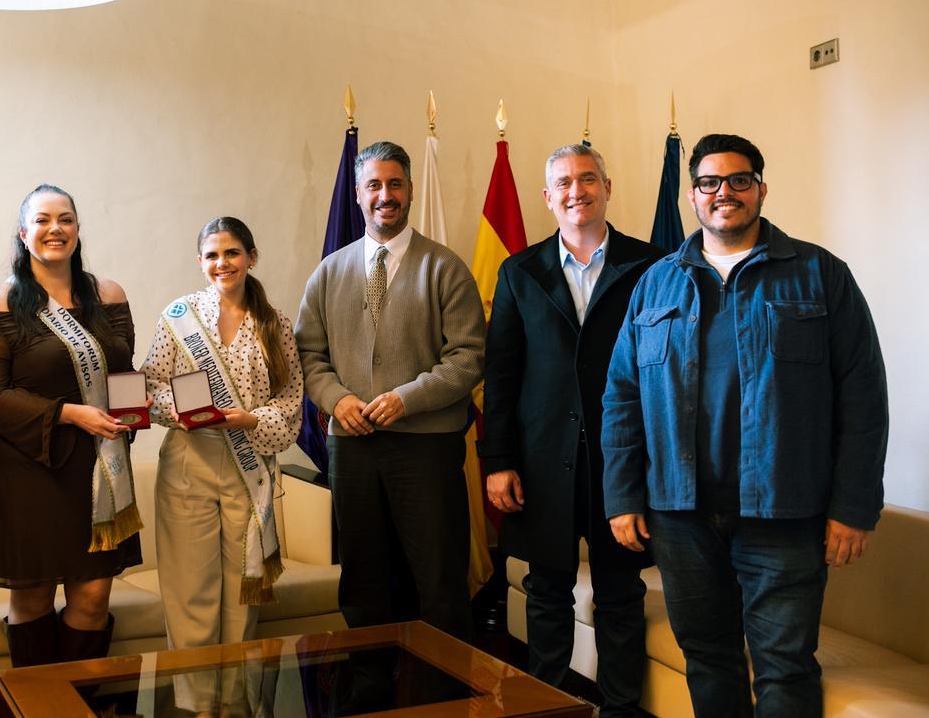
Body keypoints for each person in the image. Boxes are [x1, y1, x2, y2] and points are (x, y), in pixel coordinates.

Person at [602, 133, 888, 717]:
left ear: (760, 188)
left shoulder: (819, 274)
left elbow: (863, 396)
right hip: (680, 516)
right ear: (692, 196)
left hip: (784, 513)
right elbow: (622, 397)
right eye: (709, 183)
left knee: (784, 671)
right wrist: (621, 495)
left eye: (738, 180)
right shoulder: (654, 284)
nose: (723, 193)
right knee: (708, 660)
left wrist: (854, 505)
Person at [482, 143, 661, 716]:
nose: (575, 191)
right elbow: (502, 374)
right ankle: (547, 707)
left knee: (620, 591)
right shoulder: (519, 272)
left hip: (623, 458)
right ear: (547, 197)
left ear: (608, 188)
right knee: (548, 591)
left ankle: (620, 709)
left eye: (587, 179)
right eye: (563, 183)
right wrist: (498, 460)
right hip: (541, 461)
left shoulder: (653, 265)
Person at [295, 140, 485, 642]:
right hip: (353, 449)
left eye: (395, 184)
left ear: (410, 191)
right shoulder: (328, 272)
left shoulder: (446, 269)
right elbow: (308, 357)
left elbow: (468, 358)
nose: (386, 195)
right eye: (374, 185)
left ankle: (446, 699)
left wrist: (408, 398)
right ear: (358, 194)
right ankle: (371, 696)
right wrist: (337, 399)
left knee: (439, 584)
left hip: (425, 447)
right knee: (363, 585)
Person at [0, 184, 143, 668]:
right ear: (24, 233)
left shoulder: (108, 294)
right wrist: (69, 413)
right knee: (32, 600)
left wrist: (135, 406)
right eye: (43, 220)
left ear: (77, 229)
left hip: (98, 468)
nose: (55, 229)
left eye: (65, 219)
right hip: (28, 471)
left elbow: (121, 372)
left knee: (92, 600)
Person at [142, 216, 302, 716]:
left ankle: (236, 705)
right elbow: (150, 387)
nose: (222, 264)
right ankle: (195, 708)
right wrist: (187, 414)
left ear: (251, 257)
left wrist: (251, 419)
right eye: (211, 255)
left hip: (248, 466)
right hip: (189, 463)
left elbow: (291, 398)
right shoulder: (179, 315)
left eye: (232, 253)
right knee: (190, 597)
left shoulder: (275, 324)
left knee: (241, 598)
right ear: (199, 262)